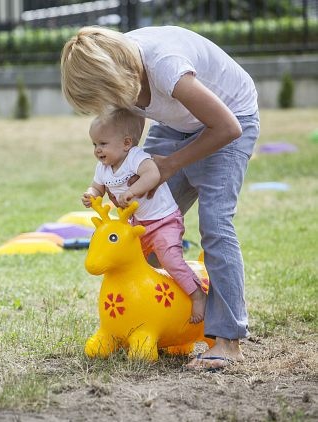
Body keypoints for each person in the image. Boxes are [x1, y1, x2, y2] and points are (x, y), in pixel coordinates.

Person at [61, 25, 260, 371]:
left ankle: (227, 341)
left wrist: (169, 166)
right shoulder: (119, 64)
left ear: (115, 75)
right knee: (139, 222)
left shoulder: (167, 67)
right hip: (176, 125)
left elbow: (228, 128)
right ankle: (155, 321)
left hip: (231, 120)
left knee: (215, 225)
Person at [81, 108, 207, 324]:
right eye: (94, 144)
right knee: (132, 263)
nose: (98, 150)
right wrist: (90, 194)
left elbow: (153, 174)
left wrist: (133, 191)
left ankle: (197, 295)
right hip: (137, 224)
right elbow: (97, 187)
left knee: (169, 259)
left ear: (126, 143)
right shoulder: (103, 168)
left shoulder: (136, 158)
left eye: (103, 144)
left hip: (163, 221)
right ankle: (139, 303)